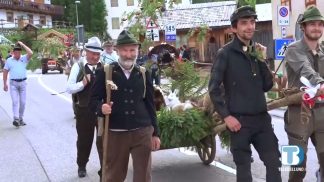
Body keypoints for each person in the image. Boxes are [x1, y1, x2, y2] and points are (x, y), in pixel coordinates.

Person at [208, 6, 281, 182]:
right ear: (234, 28)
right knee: (244, 169)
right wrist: (226, 117)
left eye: (252, 22)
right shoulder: (225, 54)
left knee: (273, 163)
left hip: (262, 120)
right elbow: (214, 88)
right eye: (244, 23)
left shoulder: (256, 52)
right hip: (239, 122)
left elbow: (266, 85)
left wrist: (263, 60)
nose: (249, 27)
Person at [91, 30, 161, 182]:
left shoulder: (143, 73)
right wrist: (101, 108)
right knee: (114, 176)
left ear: (137, 50)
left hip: (142, 132)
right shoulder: (105, 71)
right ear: (117, 50)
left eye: (132, 50)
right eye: (124, 50)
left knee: (143, 176)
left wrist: (155, 133)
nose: (128, 54)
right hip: (116, 133)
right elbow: (93, 100)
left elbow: (150, 105)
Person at [285, 6, 324, 182]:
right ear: (303, 27)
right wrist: (320, 83)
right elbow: (305, 69)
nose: (317, 28)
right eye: (312, 24)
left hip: (322, 114)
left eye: (320, 24)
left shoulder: (322, 51)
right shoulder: (293, 49)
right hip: (297, 116)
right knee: (296, 168)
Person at [66, 37, 103, 178]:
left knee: (103, 141)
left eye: (98, 54)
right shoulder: (78, 67)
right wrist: (82, 83)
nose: (95, 56)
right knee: (84, 140)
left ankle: (104, 166)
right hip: (84, 109)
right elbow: (68, 88)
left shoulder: (104, 66)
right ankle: (81, 165)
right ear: (86, 52)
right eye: (93, 53)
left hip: (101, 110)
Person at [3, 41, 33, 127]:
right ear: (13, 53)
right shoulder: (9, 60)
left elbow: (30, 53)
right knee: (15, 101)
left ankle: (20, 118)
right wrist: (5, 84)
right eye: (16, 52)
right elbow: (5, 72)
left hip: (23, 83)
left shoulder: (24, 58)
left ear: (20, 52)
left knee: (23, 102)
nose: (18, 54)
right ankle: (16, 118)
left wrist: (22, 44)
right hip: (13, 84)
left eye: (19, 52)